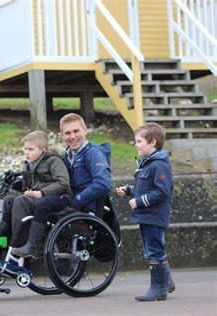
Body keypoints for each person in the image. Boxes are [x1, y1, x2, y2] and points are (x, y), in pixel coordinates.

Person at [116, 122, 175, 301]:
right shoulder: (148, 164)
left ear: (153, 142)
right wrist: (129, 190)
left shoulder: (158, 165)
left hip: (154, 217)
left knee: (153, 251)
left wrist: (139, 201)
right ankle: (166, 282)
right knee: (154, 249)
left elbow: (162, 191)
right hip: (147, 216)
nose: (136, 144)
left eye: (139, 141)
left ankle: (158, 288)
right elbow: (146, 188)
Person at [0, 131, 72, 258]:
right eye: (25, 149)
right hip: (38, 196)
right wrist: (5, 180)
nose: (26, 152)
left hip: (59, 197)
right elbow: (26, 187)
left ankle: (24, 245)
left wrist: (42, 192)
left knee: (22, 201)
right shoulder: (28, 164)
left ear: (43, 150)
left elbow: (63, 183)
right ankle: (1, 234)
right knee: (9, 200)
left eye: (31, 149)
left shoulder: (53, 161)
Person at [60, 113, 112, 217]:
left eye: (76, 131)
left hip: (85, 211)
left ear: (85, 130)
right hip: (69, 206)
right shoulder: (65, 157)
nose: (72, 136)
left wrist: (77, 200)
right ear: (62, 136)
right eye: (68, 133)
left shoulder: (93, 153)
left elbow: (103, 184)